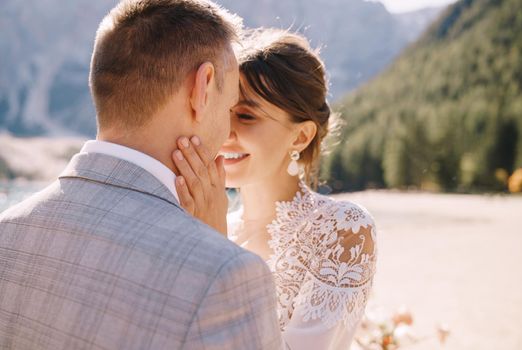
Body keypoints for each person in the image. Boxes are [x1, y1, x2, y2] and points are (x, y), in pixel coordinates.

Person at [0, 1, 284, 349]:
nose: (226, 133)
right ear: (203, 88)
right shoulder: (227, 275)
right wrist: (213, 247)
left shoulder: (6, 231)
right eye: (228, 108)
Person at [173, 28, 378, 350]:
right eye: (221, 112)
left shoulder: (343, 230)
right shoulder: (204, 221)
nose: (225, 131)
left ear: (300, 137)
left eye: (245, 115)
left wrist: (212, 246)